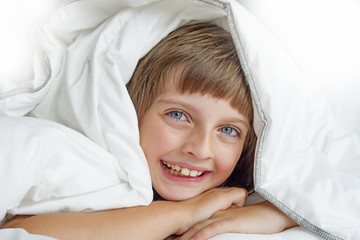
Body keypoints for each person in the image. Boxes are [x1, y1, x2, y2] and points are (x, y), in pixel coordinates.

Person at [2, 22, 296, 240]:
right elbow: (19, 230)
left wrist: (279, 212)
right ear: (130, 110)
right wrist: (182, 214)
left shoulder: (232, 195)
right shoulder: (78, 161)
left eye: (229, 130)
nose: (201, 148)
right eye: (178, 115)